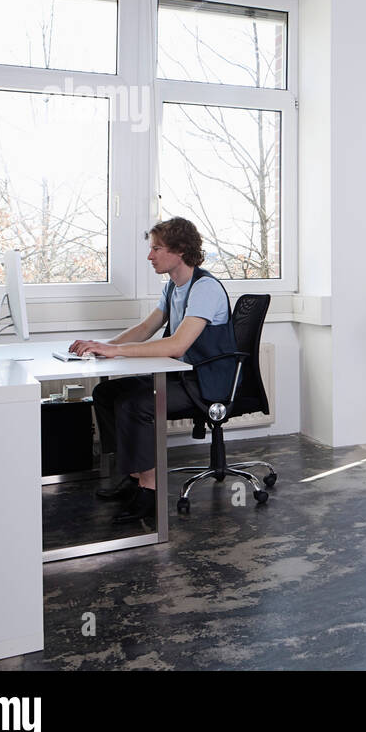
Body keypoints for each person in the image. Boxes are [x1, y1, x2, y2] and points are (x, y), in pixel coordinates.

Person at [70, 217, 238, 524]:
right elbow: (148, 327)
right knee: (106, 392)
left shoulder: (205, 288)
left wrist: (116, 351)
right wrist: (104, 345)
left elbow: (177, 345)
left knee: (137, 404)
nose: (150, 256)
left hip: (205, 383)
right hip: (183, 377)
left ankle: (150, 492)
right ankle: (134, 476)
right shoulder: (173, 288)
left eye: (156, 249)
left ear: (180, 250)